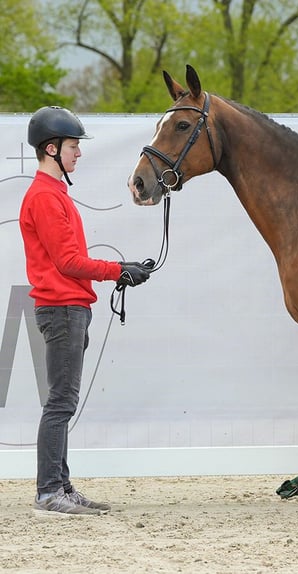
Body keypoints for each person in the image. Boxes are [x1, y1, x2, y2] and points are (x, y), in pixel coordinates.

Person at [19, 106, 153, 516]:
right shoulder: (44, 197)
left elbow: (71, 260)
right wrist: (118, 271)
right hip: (61, 309)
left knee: (62, 401)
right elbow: (69, 263)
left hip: (70, 308)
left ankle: (60, 485)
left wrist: (121, 269)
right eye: (74, 146)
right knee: (60, 403)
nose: (79, 153)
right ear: (52, 148)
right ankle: (48, 492)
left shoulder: (55, 195)